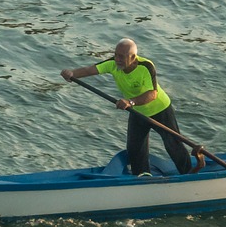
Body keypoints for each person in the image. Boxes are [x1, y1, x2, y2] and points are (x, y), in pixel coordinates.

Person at [61, 38, 194, 176]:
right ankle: (142, 175)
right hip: (137, 112)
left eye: (121, 56)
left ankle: (189, 174)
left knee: (173, 145)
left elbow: (152, 94)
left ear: (133, 57)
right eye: (116, 54)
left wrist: (130, 102)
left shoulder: (146, 66)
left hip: (160, 109)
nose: (117, 59)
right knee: (135, 148)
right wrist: (72, 74)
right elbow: (90, 70)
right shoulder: (112, 63)